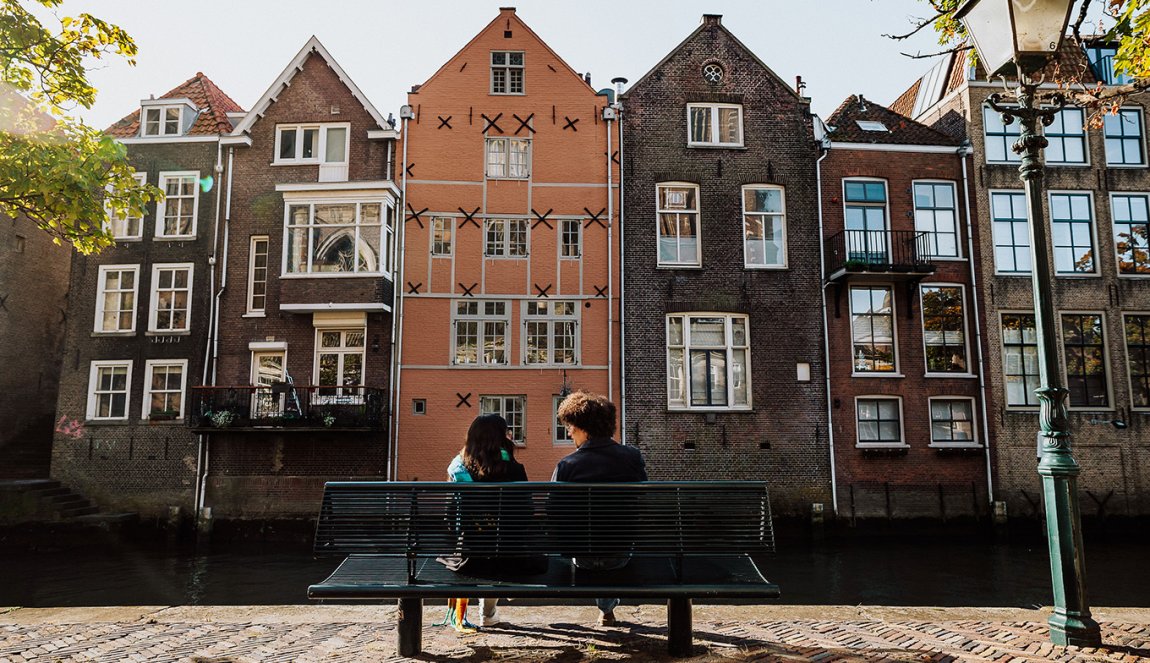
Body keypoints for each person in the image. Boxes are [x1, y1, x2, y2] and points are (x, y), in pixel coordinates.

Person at [552, 390, 647, 627]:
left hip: (582, 557)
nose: (569, 431)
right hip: (620, 554)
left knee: (590, 541)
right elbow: (643, 497)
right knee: (611, 539)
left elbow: (552, 509)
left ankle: (605, 609)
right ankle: (606, 609)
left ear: (583, 427)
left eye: (571, 425)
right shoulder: (632, 457)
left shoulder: (567, 465)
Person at [442, 413, 528, 632]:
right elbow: (526, 513)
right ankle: (487, 614)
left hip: (469, 555)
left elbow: (451, 517)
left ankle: (478, 613)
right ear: (501, 438)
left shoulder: (459, 469)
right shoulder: (514, 469)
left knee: (480, 550)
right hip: (509, 555)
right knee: (500, 550)